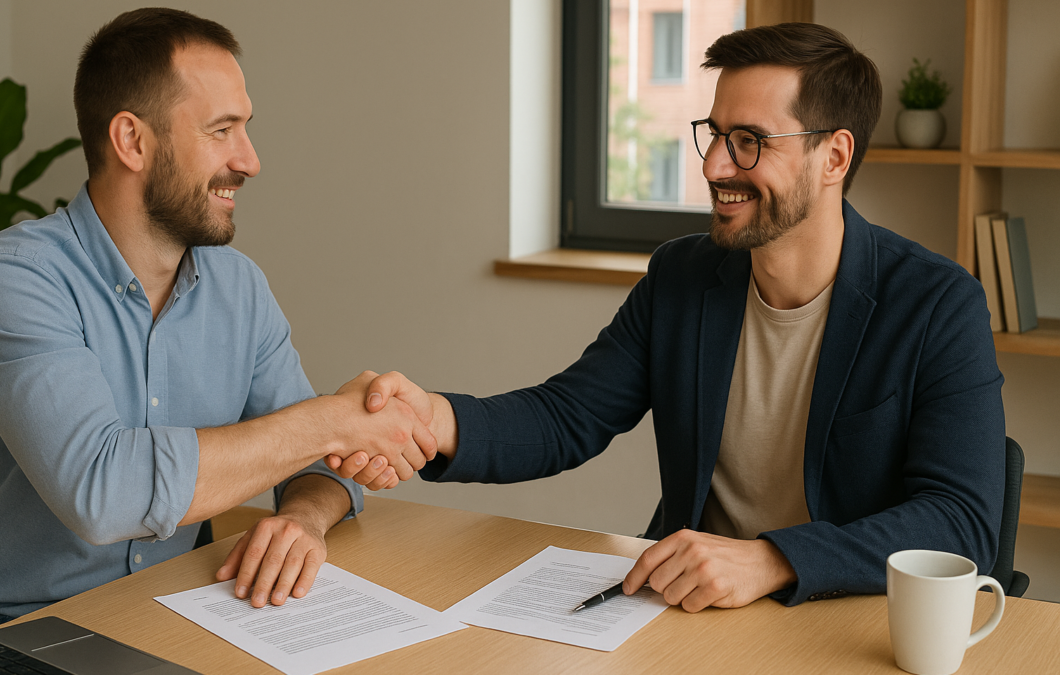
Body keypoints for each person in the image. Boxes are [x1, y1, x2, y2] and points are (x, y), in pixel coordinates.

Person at [333, 23, 1006, 611]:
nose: (716, 165)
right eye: (714, 135)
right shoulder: (684, 276)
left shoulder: (937, 305)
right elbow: (568, 415)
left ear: (833, 156)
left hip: (841, 619)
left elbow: (960, 521)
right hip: (688, 607)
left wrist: (774, 559)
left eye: (749, 141)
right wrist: (433, 419)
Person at [0, 8, 432, 631]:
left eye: (245, 129)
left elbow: (318, 463)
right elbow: (103, 493)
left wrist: (302, 520)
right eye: (222, 130)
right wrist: (331, 420)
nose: (249, 160)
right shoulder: (15, 276)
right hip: (17, 629)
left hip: (178, 610)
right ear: (132, 141)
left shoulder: (238, 286)